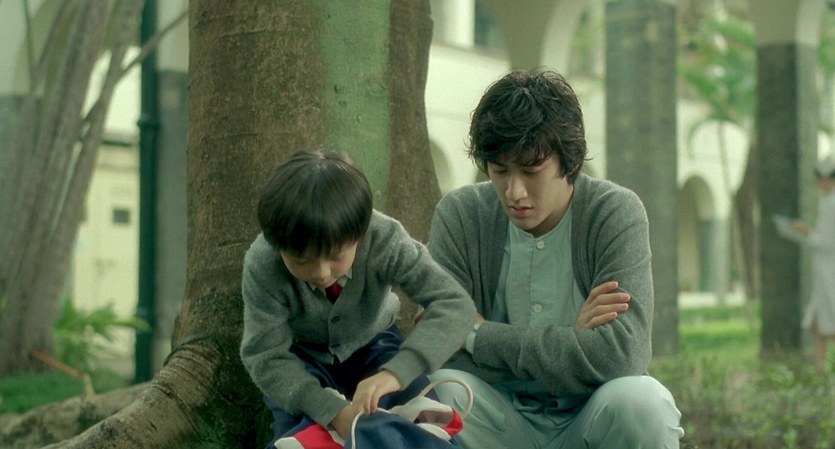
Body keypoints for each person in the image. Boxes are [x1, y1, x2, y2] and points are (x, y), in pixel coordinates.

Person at [425, 69, 684, 448]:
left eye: (531, 171)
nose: (513, 192)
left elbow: (622, 356)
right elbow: (438, 346)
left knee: (643, 402)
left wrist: (478, 334)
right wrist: (573, 340)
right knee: (442, 390)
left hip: (588, 417)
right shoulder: (461, 215)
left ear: (570, 162)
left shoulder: (613, 212)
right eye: (500, 171)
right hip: (497, 421)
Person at [240, 148, 477, 447]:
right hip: (299, 360)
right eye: (301, 260)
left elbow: (455, 305)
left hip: (377, 346)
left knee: (420, 429)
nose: (321, 273)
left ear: (360, 235)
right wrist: (331, 411)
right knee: (298, 438)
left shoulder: (385, 239)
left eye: (335, 256)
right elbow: (266, 355)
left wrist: (396, 373)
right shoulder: (263, 262)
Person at [790, 154, 835, 372]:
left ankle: (821, 369)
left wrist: (806, 231)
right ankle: (819, 369)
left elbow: (828, 241)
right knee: (817, 324)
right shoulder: (827, 202)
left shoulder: (831, 205)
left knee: (825, 323)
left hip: (830, 273)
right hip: (824, 273)